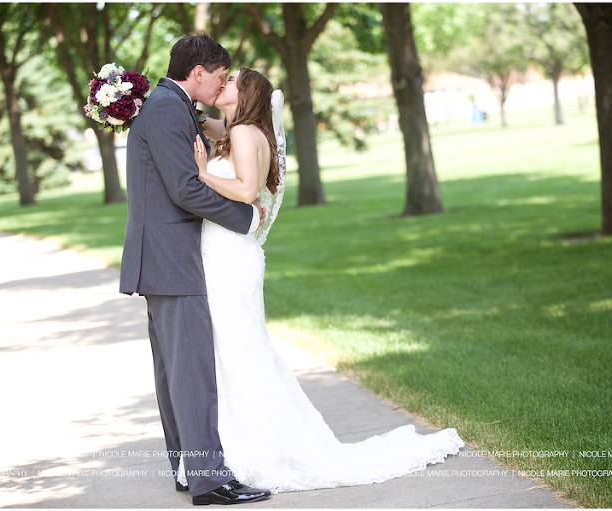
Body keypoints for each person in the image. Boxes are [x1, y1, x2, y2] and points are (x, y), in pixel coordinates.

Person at [190, 67, 465, 494]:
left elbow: (245, 192)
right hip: (233, 255)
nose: (221, 84)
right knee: (237, 350)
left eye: (230, 82)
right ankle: (242, 447)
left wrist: (203, 172)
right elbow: (212, 126)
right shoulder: (240, 128)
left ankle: (262, 454)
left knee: (237, 352)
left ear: (245, 96)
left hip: (231, 257)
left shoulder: (244, 133)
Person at [119, 34, 271, 506]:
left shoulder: (171, 104)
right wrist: (246, 218)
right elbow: (185, 189)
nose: (222, 84)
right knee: (190, 372)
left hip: (163, 256)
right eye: (221, 77)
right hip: (170, 256)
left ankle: (188, 468)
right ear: (198, 72)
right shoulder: (167, 108)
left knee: (173, 371)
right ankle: (209, 479)